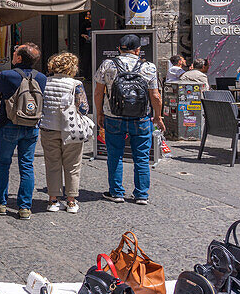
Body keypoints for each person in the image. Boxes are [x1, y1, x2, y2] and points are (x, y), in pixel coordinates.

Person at [93, 34, 164, 205]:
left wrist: (99, 113)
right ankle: (141, 195)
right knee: (141, 157)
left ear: (119, 48)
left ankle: (116, 192)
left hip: (113, 116)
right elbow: (155, 96)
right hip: (141, 118)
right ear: (138, 50)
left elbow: (98, 92)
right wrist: (157, 116)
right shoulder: (148, 67)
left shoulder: (108, 65)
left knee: (114, 155)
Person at [0, 43, 47, 219]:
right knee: (27, 165)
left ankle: (1, 203)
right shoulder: (42, 78)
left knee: (3, 164)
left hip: (9, 124)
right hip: (32, 126)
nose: (13, 54)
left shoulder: (7, 75)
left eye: (15, 52)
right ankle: (24, 207)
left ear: (19, 58)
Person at [39, 52, 89, 214]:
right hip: (71, 129)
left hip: (48, 127)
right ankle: (71, 202)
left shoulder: (45, 82)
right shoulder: (75, 84)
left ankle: (53, 200)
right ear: (72, 68)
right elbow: (84, 108)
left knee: (52, 164)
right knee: (73, 166)